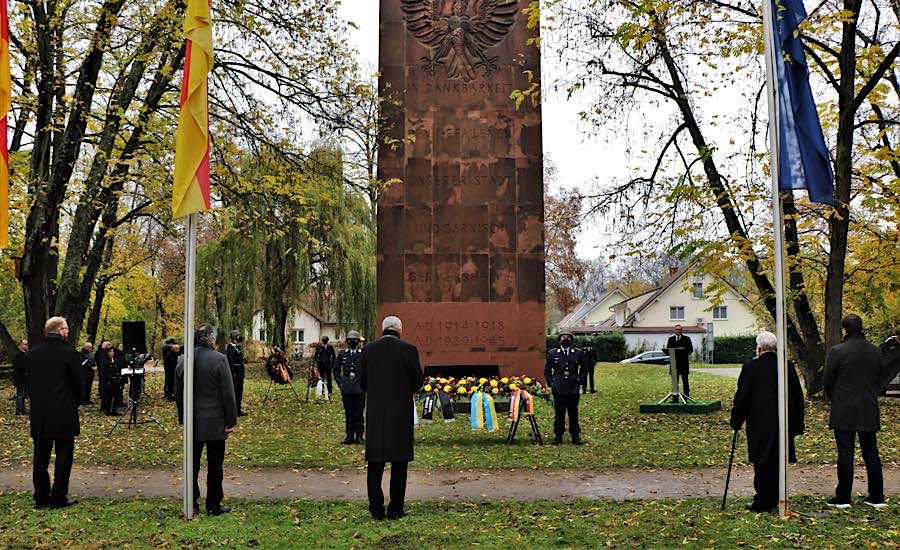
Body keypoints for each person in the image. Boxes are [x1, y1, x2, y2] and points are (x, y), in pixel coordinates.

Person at [729, 331, 805, 513]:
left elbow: (742, 397)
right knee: (778, 460)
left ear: (759, 349)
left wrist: (736, 420)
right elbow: (797, 396)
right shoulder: (787, 366)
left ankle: (763, 500)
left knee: (761, 463)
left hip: (759, 423)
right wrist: (798, 423)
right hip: (783, 422)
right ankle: (775, 497)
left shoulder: (750, 368)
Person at [361, 316, 423, 520]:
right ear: (400, 330)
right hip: (400, 415)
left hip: (376, 415)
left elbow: (362, 383)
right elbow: (417, 383)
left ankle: (376, 509)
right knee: (399, 463)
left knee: (375, 463)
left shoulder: (368, 350)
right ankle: (395, 509)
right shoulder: (409, 350)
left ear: (382, 329)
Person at [823, 314, 885, 509]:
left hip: (844, 408)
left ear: (845, 330)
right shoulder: (876, 351)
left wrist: (835, 398)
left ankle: (843, 497)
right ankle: (876, 496)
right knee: (871, 452)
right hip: (868, 406)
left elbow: (827, 380)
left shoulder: (838, 351)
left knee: (845, 453)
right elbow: (880, 378)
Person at [176, 324, 238, 516]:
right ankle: (213, 504)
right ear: (211, 339)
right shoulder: (219, 359)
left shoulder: (183, 360)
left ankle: (192, 502)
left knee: (192, 465)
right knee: (215, 464)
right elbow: (228, 392)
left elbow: (178, 392)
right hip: (215, 421)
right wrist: (231, 420)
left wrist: (182, 417)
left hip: (192, 421)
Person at [27, 316, 83, 509]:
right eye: (66, 328)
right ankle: (58, 496)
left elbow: (27, 382)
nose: (68, 332)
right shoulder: (69, 354)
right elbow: (79, 384)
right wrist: (76, 400)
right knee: (63, 456)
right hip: (63, 412)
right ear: (59, 330)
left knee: (40, 456)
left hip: (40, 414)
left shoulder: (33, 355)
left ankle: (41, 497)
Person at [545, 331, 585, 445]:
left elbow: (584, 367)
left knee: (573, 412)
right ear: (560, 339)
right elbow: (547, 370)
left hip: (573, 386)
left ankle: (575, 435)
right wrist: (551, 383)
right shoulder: (553, 353)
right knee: (559, 412)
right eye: (563, 337)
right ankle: (558, 435)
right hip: (559, 387)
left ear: (571, 340)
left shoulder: (578, 353)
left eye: (568, 337)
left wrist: (580, 380)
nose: (565, 339)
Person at [334, 330, 365, 444]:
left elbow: (367, 370)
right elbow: (336, 369)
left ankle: (360, 435)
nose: (352, 342)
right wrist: (340, 383)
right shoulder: (343, 354)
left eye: (354, 340)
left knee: (359, 413)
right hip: (347, 388)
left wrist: (364, 384)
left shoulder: (363, 354)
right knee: (349, 412)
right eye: (350, 340)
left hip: (359, 388)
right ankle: (349, 435)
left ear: (358, 342)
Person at [665, 325, 694, 396]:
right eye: (677, 329)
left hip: (683, 364)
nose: (679, 331)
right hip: (674, 364)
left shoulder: (687, 339)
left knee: (685, 381)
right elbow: (668, 349)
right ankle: (675, 398)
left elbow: (690, 350)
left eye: (680, 329)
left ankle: (686, 397)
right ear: (674, 330)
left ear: (682, 330)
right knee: (675, 382)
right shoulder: (671, 339)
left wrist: (682, 350)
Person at [226, 330, 247, 416]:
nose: (240, 337)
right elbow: (230, 362)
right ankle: (234, 411)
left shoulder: (238, 346)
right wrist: (233, 373)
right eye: (238, 336)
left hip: (240, 372)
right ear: (235, 337)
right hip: (235, 373)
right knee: (235, 391)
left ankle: (238, 409)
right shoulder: (230, 348)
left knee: (239, 391)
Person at [98, 345, 119, 416]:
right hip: (108, 381)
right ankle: (107, 409)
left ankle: (114, 410)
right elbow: (104, 372)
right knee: (108, 396)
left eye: (113, 351)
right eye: (110, 351)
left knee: (116, 396)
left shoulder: (114, 360)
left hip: (115, 380)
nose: (112, 353)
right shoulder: (104, 361)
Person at [13, 339, 29, 415]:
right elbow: (19, 366)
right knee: (20, 395)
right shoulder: (18, 354)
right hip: (20, 378)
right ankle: (18, 411)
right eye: (25, 344)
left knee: (23, 395)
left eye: (27, 344)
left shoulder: (24, 354)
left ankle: (22, 410)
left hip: (24, 378)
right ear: (21, 345)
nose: (26, 346)